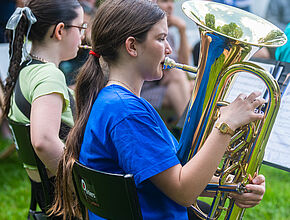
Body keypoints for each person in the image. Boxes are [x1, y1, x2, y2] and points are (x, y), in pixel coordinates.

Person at [51, 0, 265, 219]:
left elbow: (170, 174)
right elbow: (184, 191)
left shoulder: (118, 102)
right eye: (161, 39)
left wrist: (233, 187)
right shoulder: (127, 113)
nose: (169, 49)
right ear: (132, 46)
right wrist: (225, 125)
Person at [3, 0, 84, 214]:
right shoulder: (49, 75)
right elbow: (43, 141)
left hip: (44, 193)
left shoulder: (26, 69)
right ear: (60, 30)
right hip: (64, 197)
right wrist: (81, 187)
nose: (83, 36)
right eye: (80, 28)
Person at [141, 0, 192, 119]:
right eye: (164, 1)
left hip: (167, 87)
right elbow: (173, 72)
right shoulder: (147, 33)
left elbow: (184, 66)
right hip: (146, 90)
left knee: (196, 86)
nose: (170, 6)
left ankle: (197, 128)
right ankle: (191, 131)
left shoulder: (171, 36)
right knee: (178, 75)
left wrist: (182, 31)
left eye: (172, 2)